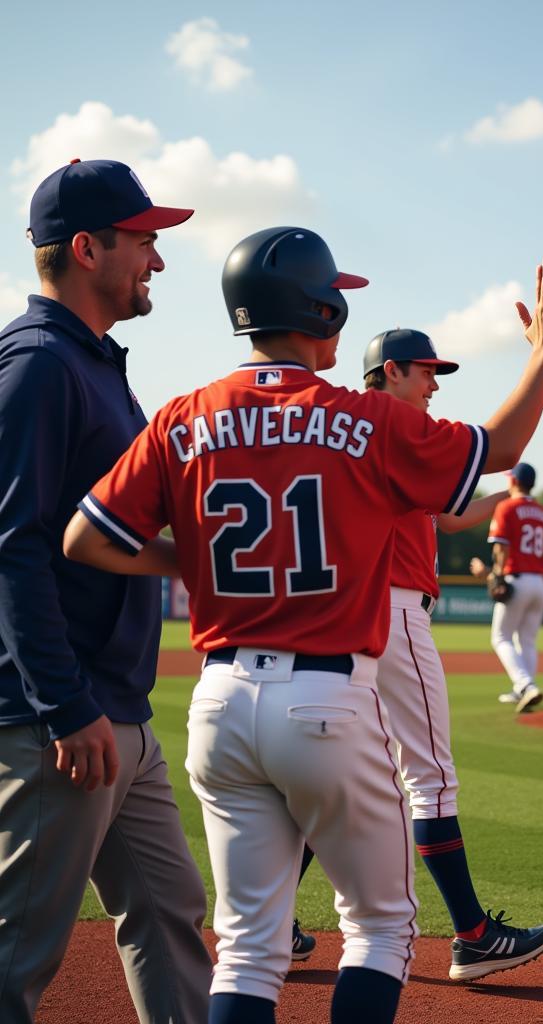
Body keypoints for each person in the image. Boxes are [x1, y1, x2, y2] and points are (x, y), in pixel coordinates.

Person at [63, 231, 543, 1024]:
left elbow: (85, 540)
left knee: (248, 947)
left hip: (220, 703)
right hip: (328, 700)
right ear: (319, 309)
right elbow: (501, 447)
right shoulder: (362, 418)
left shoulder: (182, 417)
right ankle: (470, 932)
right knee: (381, 929)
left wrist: (193, 563)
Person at [0, 158, 211, 1024]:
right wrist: (62, 705)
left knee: (170, 917)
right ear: (87, 248)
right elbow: (11, 552)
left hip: (119, 710)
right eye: (144, 242)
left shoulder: (94, 366)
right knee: (17, 954)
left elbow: (101, 536)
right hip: (61, 719)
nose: (156, 260)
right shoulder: (38, 366)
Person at [292, 328, 543, 982]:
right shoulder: (395, 429)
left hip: (342, 614)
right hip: (395, 609)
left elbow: (449, 514)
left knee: (342, 772)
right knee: (430, 777)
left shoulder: (349, 432)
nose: (435, 385)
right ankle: (472, 934)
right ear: (390, 372)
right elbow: (502, 445)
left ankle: (271, 923)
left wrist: (500, 502)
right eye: (425, 372)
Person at [469, 462, 543, 712]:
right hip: (539, 582)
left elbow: (501, 547)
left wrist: (494, 574)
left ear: (514, 481)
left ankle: (526, 685)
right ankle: (524, 690)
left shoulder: (506, 507)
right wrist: (539, 572)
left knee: (501, 637)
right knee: (527, 640)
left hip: (515, 580)